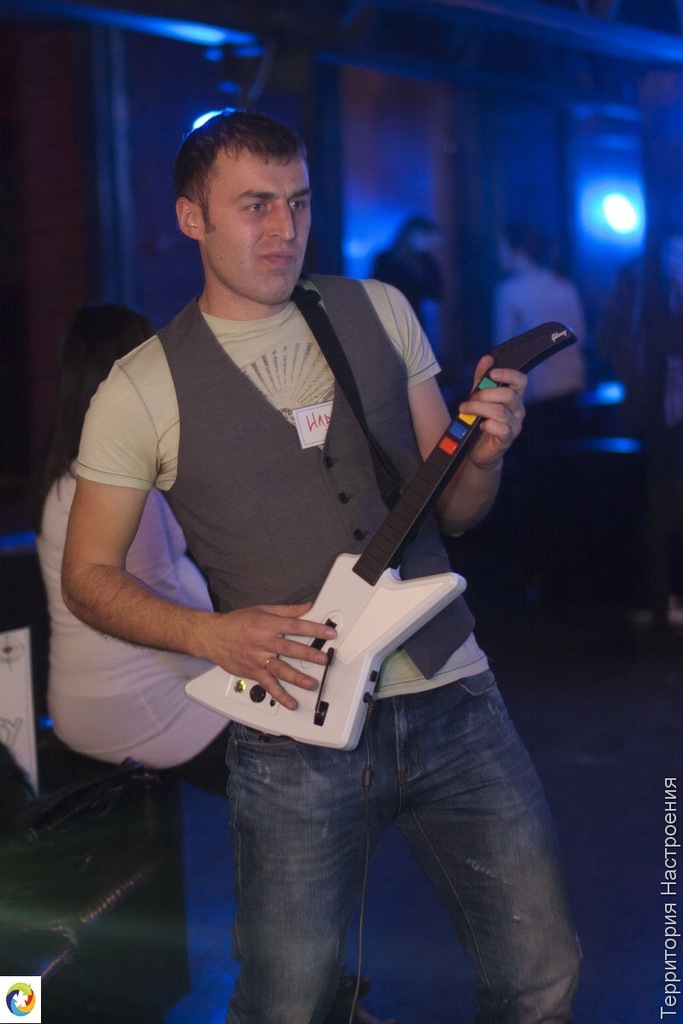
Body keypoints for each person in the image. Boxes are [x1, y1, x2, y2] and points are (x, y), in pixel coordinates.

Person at [61, 111, 580, 1023]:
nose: (283, 227)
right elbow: (87, 578)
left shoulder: (378, 310)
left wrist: (487, 458)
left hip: (454, 698)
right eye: (254, 205)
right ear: (191, 218)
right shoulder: (139, 387)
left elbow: (454, 511)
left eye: (297, 202)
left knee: (542, 975)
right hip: (291, 739)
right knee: (287, 1005)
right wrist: (211, 635)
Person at [32, 304, 228, 772]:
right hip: (143, 705)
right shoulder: (113, 485)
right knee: (291, 727)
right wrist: (237, 657)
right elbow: (154, 611)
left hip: (83, 698)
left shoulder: (62, 472)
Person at [493, 223, 587, 454]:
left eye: (502, 247)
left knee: (535, 462)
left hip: (535, 391)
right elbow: (580, 335)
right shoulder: (564, 286)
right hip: (572, 384)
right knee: (566, 459)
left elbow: (502, 350)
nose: (499, 253)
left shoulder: (509, 291)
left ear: (517, 250)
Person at [371, 214, 443, 328]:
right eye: (422, 235)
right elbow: (375, 289)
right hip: (388, 319)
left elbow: (436, 292)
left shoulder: (425, 260)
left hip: (414, 321)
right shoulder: (386, 259)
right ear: (408, 235)